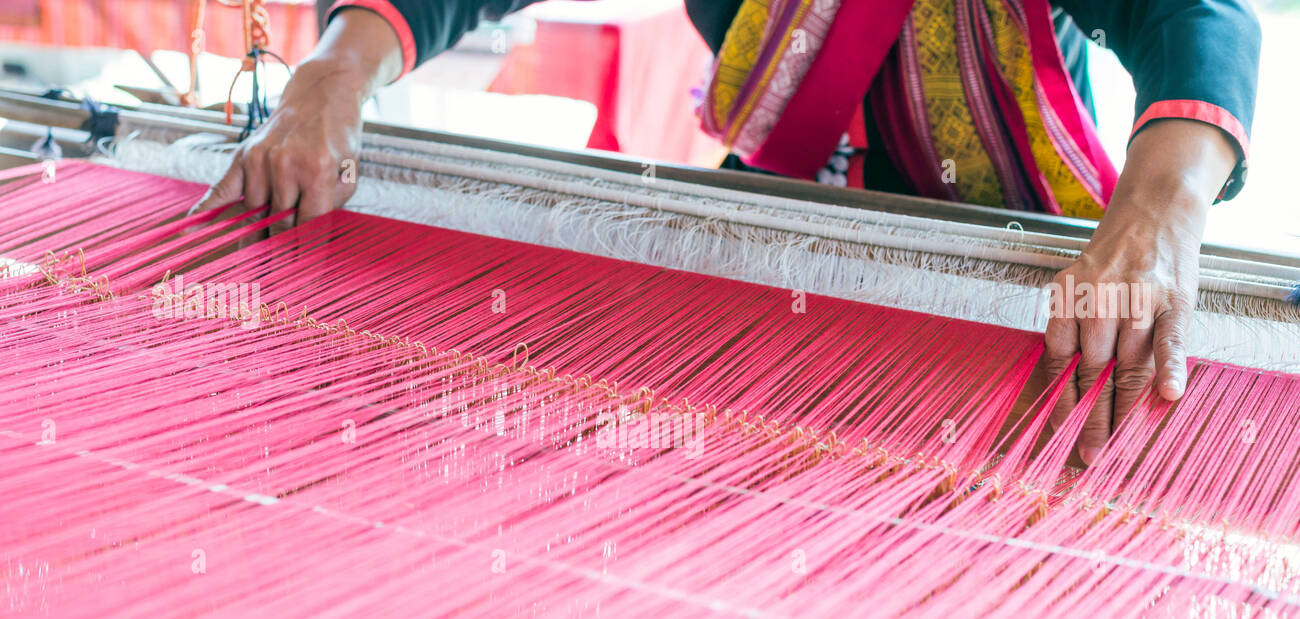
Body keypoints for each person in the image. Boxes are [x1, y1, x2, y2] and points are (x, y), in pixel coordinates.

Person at [196, 1, 1262, 462]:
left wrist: (1162, 208)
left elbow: (1197, 15)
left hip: (1010, 271)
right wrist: (333, 76)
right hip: (784, 225)